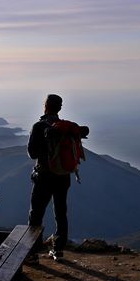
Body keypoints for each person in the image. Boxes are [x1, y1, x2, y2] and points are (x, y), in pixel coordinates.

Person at [27, 93, 89, 260]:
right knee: (60, 212)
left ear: (45, 105)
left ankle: (32, 252)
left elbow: (32, 153)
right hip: (63, 176)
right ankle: (58, 250)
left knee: (36, 214)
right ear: (60, 107)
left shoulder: (39, 126)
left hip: (44, 177)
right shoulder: (66, 127)